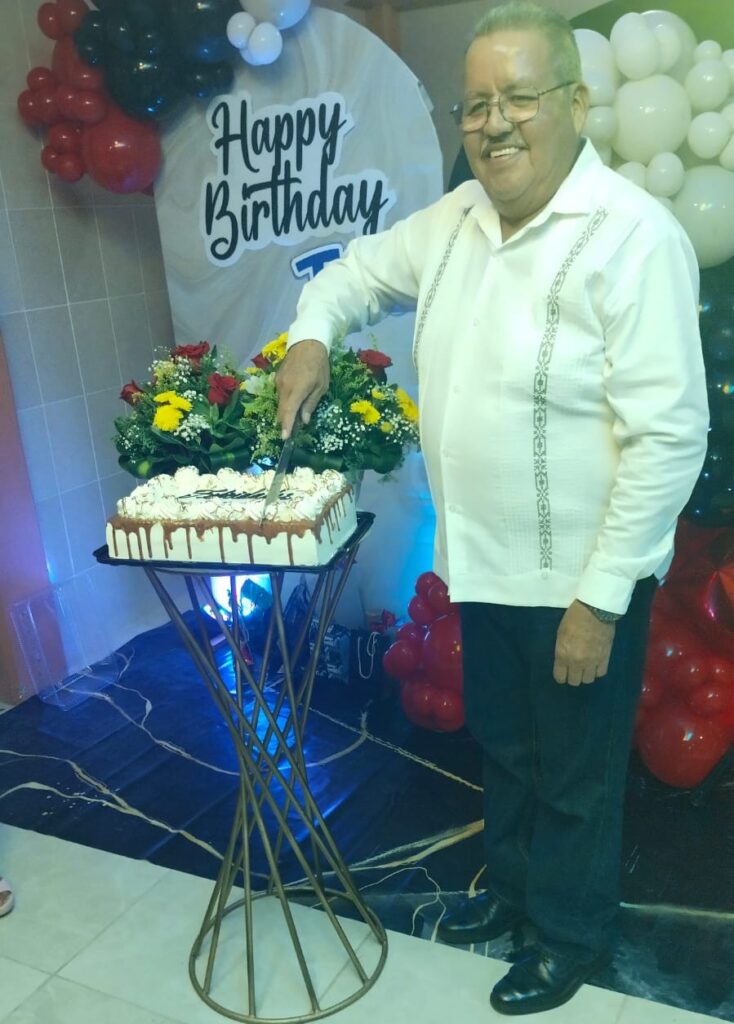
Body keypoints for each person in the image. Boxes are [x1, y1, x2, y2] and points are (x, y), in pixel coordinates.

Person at [275, 1, 709, 1014]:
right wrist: (310, 337)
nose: (493, 122)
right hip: (481, 564)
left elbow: (669, 436)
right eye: (474, 104)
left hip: (581, 579)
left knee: (574, 775)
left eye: (518, 96)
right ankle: (514, 902)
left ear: (575, 102)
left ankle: (569, 937)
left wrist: (601, 598)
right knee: (509, 754)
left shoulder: (632, 236)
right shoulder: (454, 220)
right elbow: (351, 274)